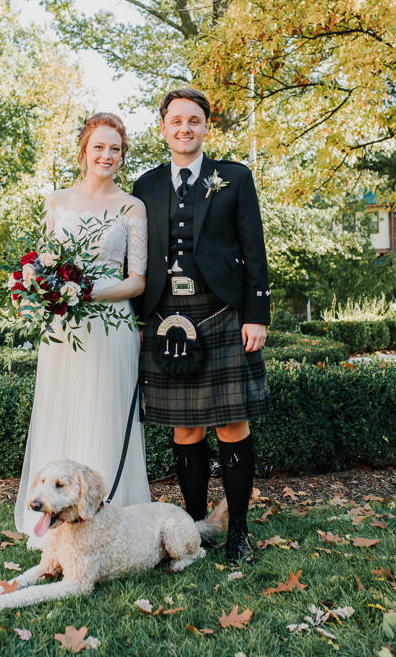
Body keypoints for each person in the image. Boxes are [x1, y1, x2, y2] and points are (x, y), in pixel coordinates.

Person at [132, 89, 271, 563]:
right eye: (176, 121)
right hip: (166, 317)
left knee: (233, 424)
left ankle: (238, 531)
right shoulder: (145, 185)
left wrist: (257, 314)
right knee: (185, 430)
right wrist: (136, 319)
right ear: (163, 127)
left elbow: (254, 248)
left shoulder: (233, 177)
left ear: (207, 126)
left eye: (194, 120)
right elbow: (140, 256)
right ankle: (192, 529)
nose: (184, 128)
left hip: (225, 313)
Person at [15, 112, 151, 549]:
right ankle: (52, 513)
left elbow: (137, 280)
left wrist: (87, 291)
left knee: (106, 413)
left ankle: (111, 515)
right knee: (64, 409)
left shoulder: (132, 207)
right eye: (99, 147)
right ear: (84, 151)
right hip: (63, 329)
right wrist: (40, 288)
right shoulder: (57, 201)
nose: (107, 155)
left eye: (115, 149)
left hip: (112, 326)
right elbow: (47, 263)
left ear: (122, 154)